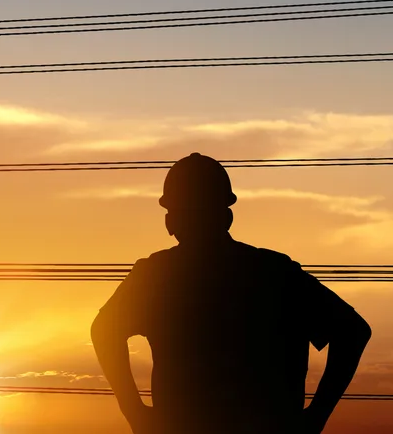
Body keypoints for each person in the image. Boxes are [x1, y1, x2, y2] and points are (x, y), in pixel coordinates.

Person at [91, 153, 371, 434]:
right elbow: (352, 332)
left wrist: (134, 411)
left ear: (172, 219)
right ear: (226, 214)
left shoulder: (156, 277)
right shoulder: (276, 273)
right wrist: (316, 416)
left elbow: (103, 331)